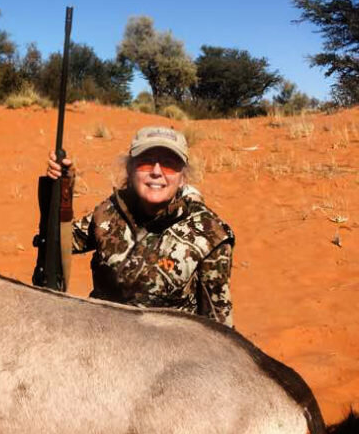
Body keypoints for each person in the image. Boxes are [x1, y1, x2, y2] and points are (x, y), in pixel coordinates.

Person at [46, 126, 235, 326]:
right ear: (130, 168)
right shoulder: (109, 211)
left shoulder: (209, 233)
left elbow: (219, 324)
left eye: (169, 165)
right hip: (101, 337)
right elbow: (61, 242)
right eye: (145, 162)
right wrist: (61, 189)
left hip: (169, 348)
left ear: (183, 178)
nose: (156, 172)